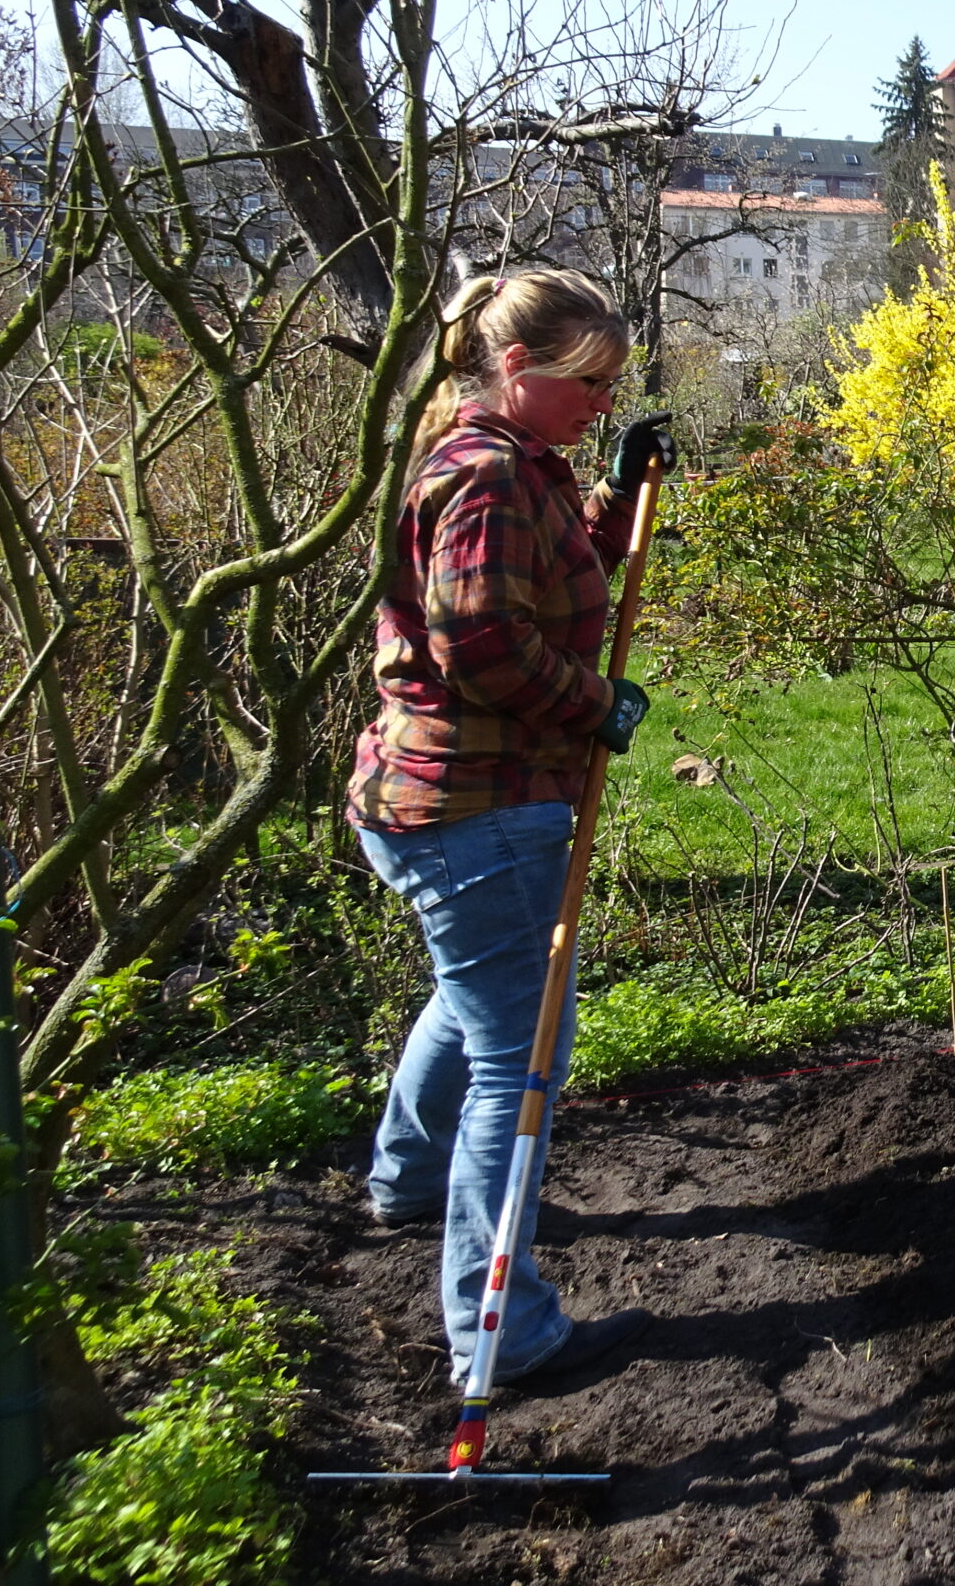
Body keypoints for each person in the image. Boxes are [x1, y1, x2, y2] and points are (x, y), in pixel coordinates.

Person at [345, 267, 673, 1390]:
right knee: (518, 1061)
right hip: (477, 806)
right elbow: (479, 645)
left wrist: (620, 501)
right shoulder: (484, 476)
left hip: (430, 798)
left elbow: (549, 565)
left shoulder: (514, 465)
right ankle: (503, 1334)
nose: (599, 401)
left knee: (471, 1000)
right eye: (587, 382)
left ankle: (405, 1179)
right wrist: (598, 708)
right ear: (518, 367)